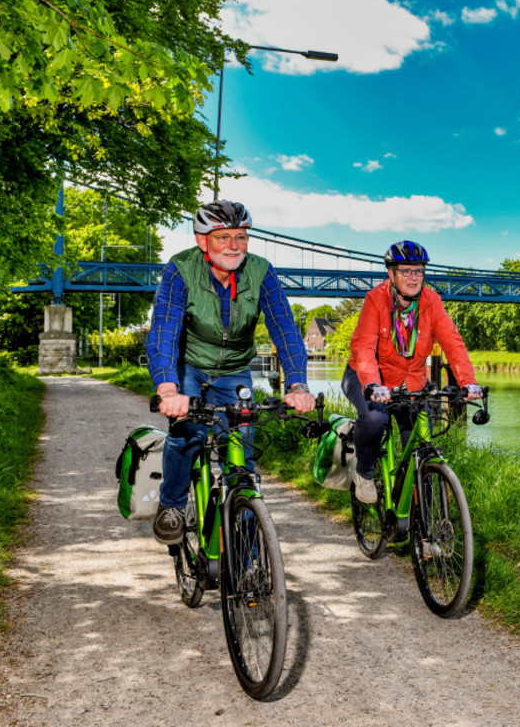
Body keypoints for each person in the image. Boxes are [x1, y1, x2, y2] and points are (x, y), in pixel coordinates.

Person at [147, 200, 316, 544]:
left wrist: (298, 383)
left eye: (241, 237)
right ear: (202, 240)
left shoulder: (261, 271)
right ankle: (172, 505)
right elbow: (164, 331)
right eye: (223, 237)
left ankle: (248, 559)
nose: (234, 246)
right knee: (187, 434)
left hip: (235, 371)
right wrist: (168, 388)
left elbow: (284, 328)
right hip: (190, 367)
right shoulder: (180, 269)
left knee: (241, 459)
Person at [341, 240, 482, 504]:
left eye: (418, 271)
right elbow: (363, 347)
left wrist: (468, 382)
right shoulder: (375, 299)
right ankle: (364, 472)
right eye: (406, 271)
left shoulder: (432, 301)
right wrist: (372, 384)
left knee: (419, 447)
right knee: (374, 420)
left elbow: (452, 342)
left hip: (412, 384)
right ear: (391, 274)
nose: (413, 277)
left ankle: (423, 529)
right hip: (368, 378)